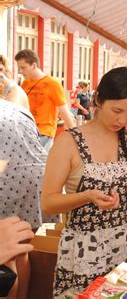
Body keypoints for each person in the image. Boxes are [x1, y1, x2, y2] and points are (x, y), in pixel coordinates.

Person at [41, 67, 127, 295]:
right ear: (98, 99)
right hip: (82, 252)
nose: (122, 120)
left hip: (125, 249)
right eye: (117, 110)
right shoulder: (68, 143)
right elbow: (48, 203)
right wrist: (87, 196)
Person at [0, 99, 47, 299]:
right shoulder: (16, 108)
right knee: (21, 248)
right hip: (37, 176)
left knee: (7, 258)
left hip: (7, 178)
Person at [15, 49, 75, 151]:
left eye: (23, 67)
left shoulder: (53, 84)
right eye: (19, 68)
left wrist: (76, 137)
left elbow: (64, 112)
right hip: (25, 130)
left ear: (34, 65)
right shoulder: (25, 83)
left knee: (38, 165)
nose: (20, 71)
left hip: (44, 132)